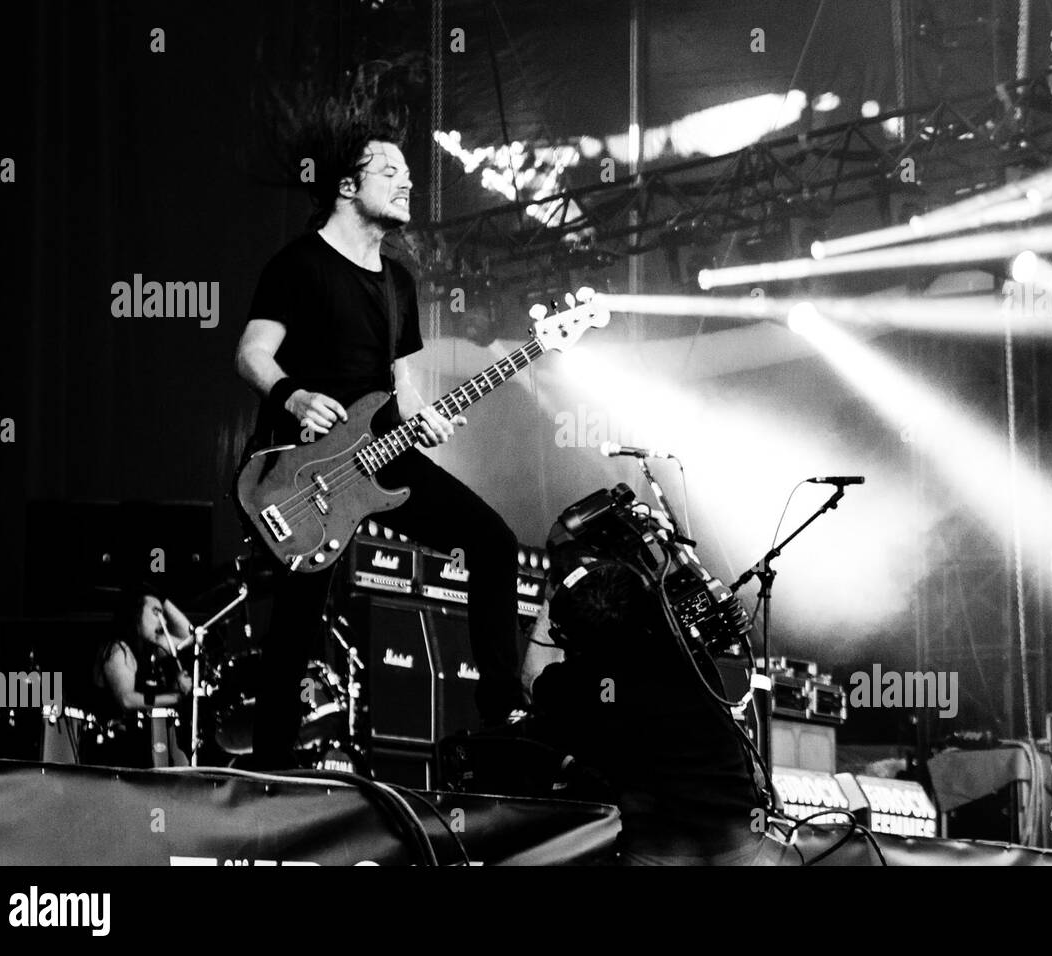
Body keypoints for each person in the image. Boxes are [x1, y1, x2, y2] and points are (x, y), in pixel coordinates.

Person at [235, 98, 524, 768]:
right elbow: (251, 351)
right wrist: (295, 395)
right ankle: (270, 772)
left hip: (384, 453)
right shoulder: (298, 265)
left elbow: (400, 382)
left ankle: (503, 710)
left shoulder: (399, 281)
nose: (407, 182)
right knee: (298, 624)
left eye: (407, 174)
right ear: (346, 186)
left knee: (493, 539)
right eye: (389, 171)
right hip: (307, 469)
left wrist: (427, 417)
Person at [530, 546, 774, 865]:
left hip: (660, 853)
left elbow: (530, 679)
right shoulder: (691, 655)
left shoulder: (579, 684)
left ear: (566, 635)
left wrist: (550, 602)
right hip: (745, 848)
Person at [91, 587, 194, 767]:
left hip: (145, 744)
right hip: (117, 750)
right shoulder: (119, 650)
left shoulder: (153, 648)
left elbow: (190, 636)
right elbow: (127, 700)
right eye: (155, 613)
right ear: (136, 614)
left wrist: (164, 601)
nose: (162, 621)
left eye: (162, 614)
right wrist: (177, 697)